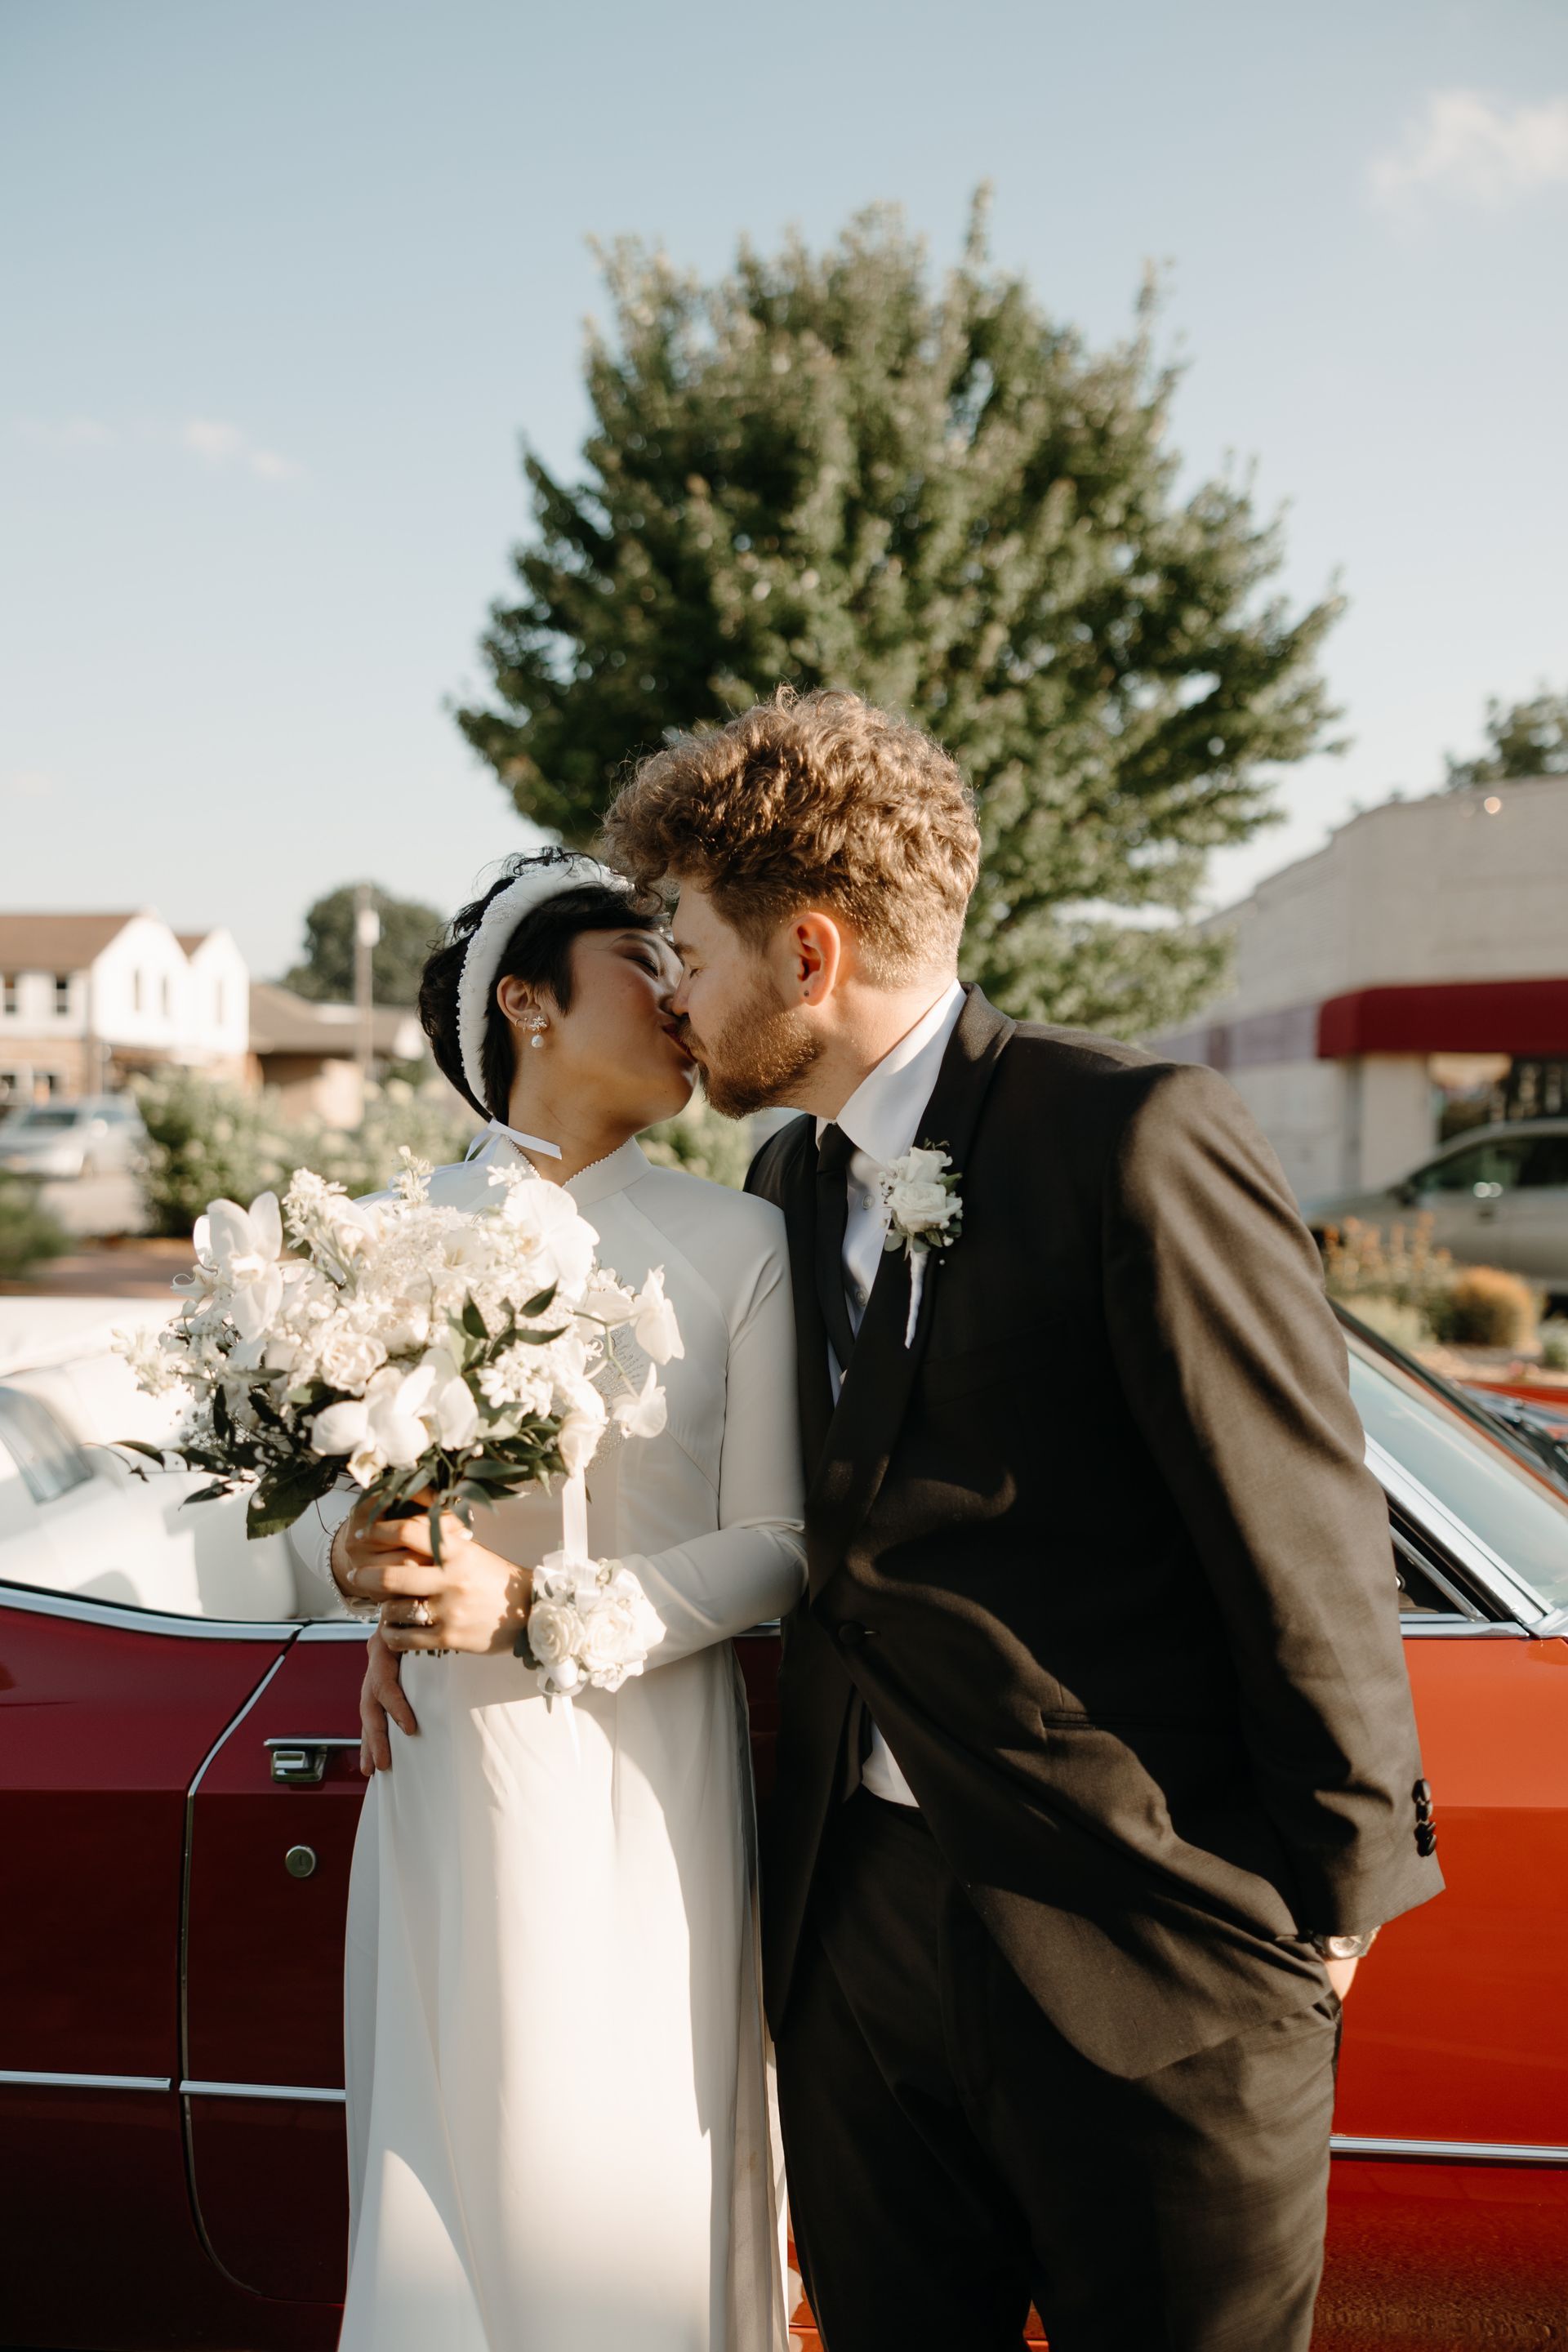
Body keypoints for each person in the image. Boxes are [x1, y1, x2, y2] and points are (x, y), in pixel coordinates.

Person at [361, 692, 1444, 2350]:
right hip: (854, 1941)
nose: (678, 992)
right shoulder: (787, 1186)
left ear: (807, 954)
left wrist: (1328, 1910)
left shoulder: (1127, 1138)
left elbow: (1303, 1538)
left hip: (1148, 1947)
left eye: (695, 952)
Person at [292, 848, 805, 2352]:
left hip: (659, 1771)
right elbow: (325, 1504)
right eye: (641, 965)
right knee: (470, 2146)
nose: (680, 997)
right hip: (457, 1764)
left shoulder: (741, 1242)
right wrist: (355, 1558)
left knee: (644, 2152)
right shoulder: (376, 1240)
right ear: (527, 1003)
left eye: (679, 963)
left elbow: (781, 1540)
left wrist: (541, 1609)